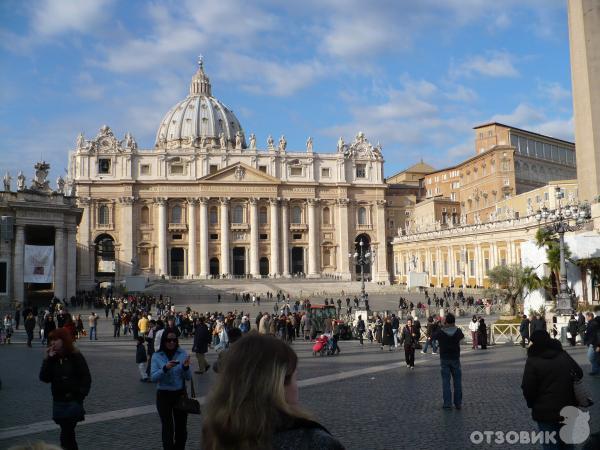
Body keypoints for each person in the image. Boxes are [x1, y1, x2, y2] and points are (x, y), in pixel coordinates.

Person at [202, 333, 345, 450]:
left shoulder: (215, 435)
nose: (297, 387)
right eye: (295, 378)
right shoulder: (315, 443)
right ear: (278, 385)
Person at [521, 330, 584, 449]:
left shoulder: (533, 360)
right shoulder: (562, 354)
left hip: (545, 410)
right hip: (568, 406)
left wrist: (532, 403)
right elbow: (579, 373)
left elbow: (528, 387)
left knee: (550, 444)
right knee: (568, 442)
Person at [39, 328, 91, 450]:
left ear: (63, 340)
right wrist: (48, 359)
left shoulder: (75, 356)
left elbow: (86, 377)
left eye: (56, 339)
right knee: (67, 433)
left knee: (67, 433)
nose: (52, 342)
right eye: (51, 340)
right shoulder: (53, 358)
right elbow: (44, 378)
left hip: (73, 401)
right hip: (59, 402)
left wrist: (80, 396)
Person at [151, 329, 192, 450]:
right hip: (163, 396)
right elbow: (153, 378)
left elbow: (188, 377)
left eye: (174, 340)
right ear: (164, 341)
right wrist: (165, 368)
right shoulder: (156, 356)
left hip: (179, 395)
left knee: (181, 428)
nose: (172, 342)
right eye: (169, 340)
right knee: (167, 428)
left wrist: (185, 368)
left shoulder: (183, 354)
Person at [433, 313, 464, 410]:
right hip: (455, 358)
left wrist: (441, 326)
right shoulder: (458, 331)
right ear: (454, 322)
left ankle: (447, 403)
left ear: (446, 322)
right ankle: (458, 403)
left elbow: (432, 336)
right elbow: (462, 337)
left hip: (445, 359)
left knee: (446, 382)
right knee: (457, 382)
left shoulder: (441, 332)